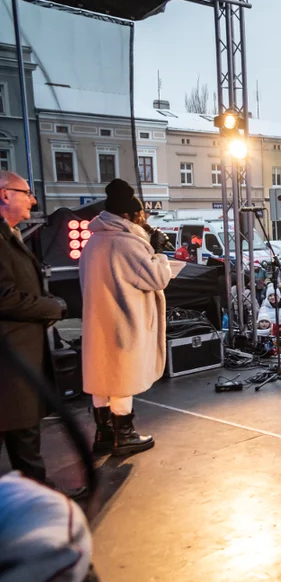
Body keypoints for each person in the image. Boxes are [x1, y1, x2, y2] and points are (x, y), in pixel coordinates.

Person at [80, 179, 172, 457]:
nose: (144, 220)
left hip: (99, 320)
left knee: (101, 376)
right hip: (123, 320)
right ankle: (125, 434)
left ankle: (104, 433)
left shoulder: (95, 240)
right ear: (128, 216)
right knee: (121, 377)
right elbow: (156, 278)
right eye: (141, 215)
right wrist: (159, 254)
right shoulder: (126, 243)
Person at [0, 172, 75, 487]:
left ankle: (38, 498)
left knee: (24, 435)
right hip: (10, 363)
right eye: (26, 192)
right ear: (5, 195)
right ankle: (40, 503)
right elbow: (4, 297)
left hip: (16, 361)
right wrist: (50, 308)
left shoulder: (11, 234)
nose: (33, 199)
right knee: (23, 434)